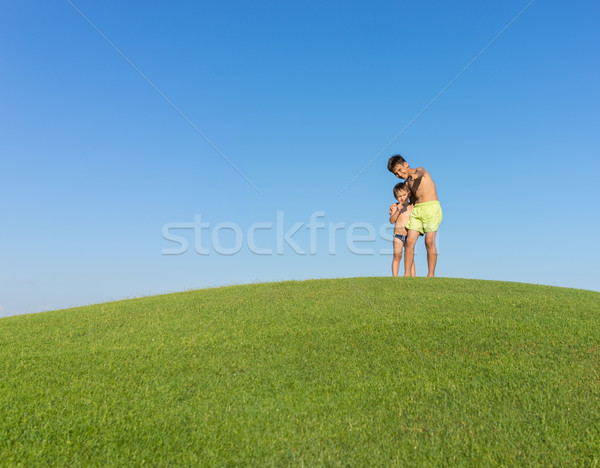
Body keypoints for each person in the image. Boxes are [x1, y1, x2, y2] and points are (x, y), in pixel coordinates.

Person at [387, 154, 442, 277]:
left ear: (406, 164)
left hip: (431, 208)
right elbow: (406, 200)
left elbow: (420, 172)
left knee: (429, 242)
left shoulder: (420, 171)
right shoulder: (406, 185)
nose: (400, 174)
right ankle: (407, 275)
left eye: (400, 170)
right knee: (410, 241)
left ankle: (431, 274)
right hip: (417, 210)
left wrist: (415, 176)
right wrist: (395, 204)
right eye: (396, 174)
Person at [389, 182, 415, 277]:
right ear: (396, 198)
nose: (402, 198)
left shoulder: (412, 207)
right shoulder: (396, 207)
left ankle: (413, 278)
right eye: (399, 196)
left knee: (410, 257)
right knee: (397, 256)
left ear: (408, 194)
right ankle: (395, 277)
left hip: (409, 237)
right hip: (398, 236)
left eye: (404, 195)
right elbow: (392, 221)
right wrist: (398, 210)